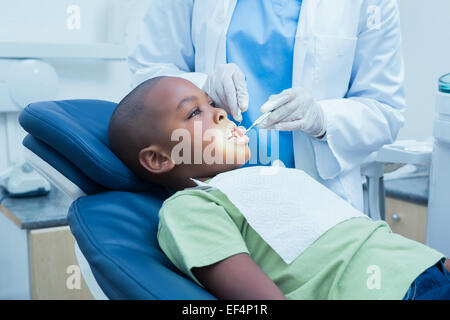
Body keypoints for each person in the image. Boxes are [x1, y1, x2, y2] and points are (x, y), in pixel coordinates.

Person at [108, 76, 450, 300]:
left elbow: (365, 240)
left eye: (213, 103)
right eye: (195, 112)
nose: (220, 113)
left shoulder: (272, 176)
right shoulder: (192, 206)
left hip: (428, 268)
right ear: (157, 159)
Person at [128, 0, 406, 211]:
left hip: (319, 201)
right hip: (214, 196)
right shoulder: (193, 220)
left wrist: (323, 119)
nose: (219, 115)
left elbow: (384, 109)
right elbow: (149, 76)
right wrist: (204, 87)